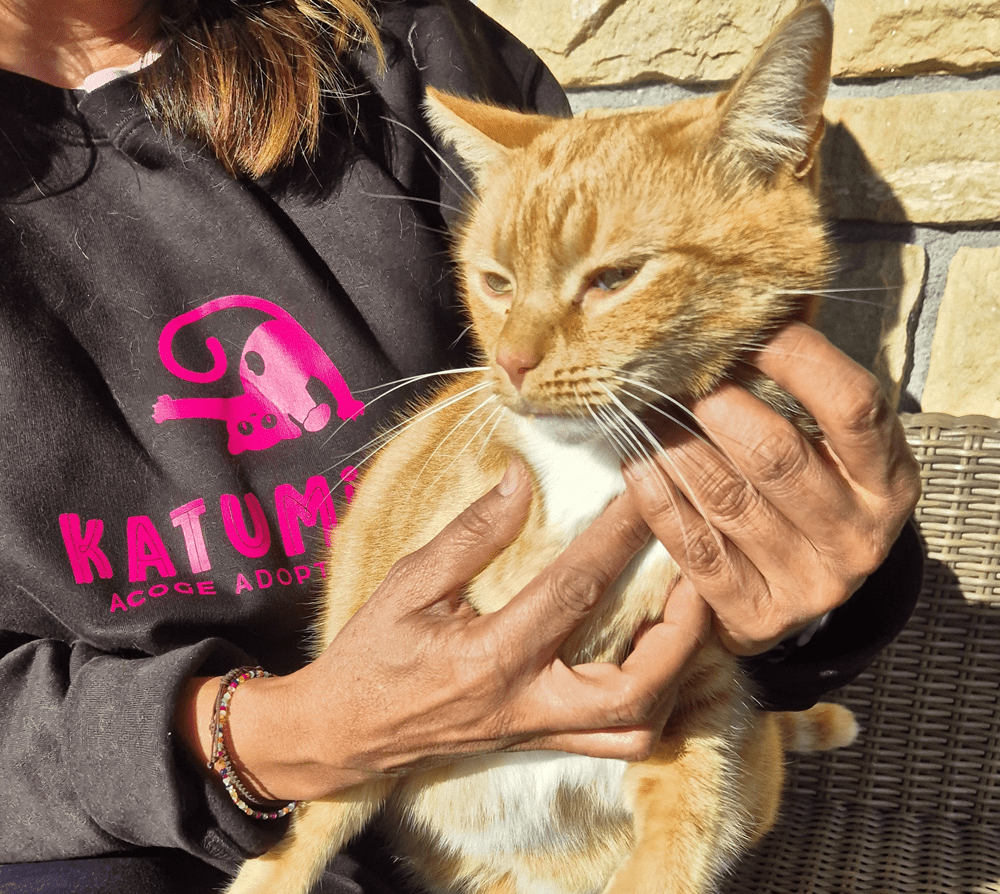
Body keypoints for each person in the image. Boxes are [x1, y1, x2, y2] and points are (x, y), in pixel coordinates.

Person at [0, 0, 922, 892]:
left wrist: (817, 593)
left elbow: (684, 376)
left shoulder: (396, 41)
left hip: (552, 800)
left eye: (606, 281)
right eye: (497, 290)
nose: (516, 357)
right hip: (99, 834)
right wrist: (281, 733)